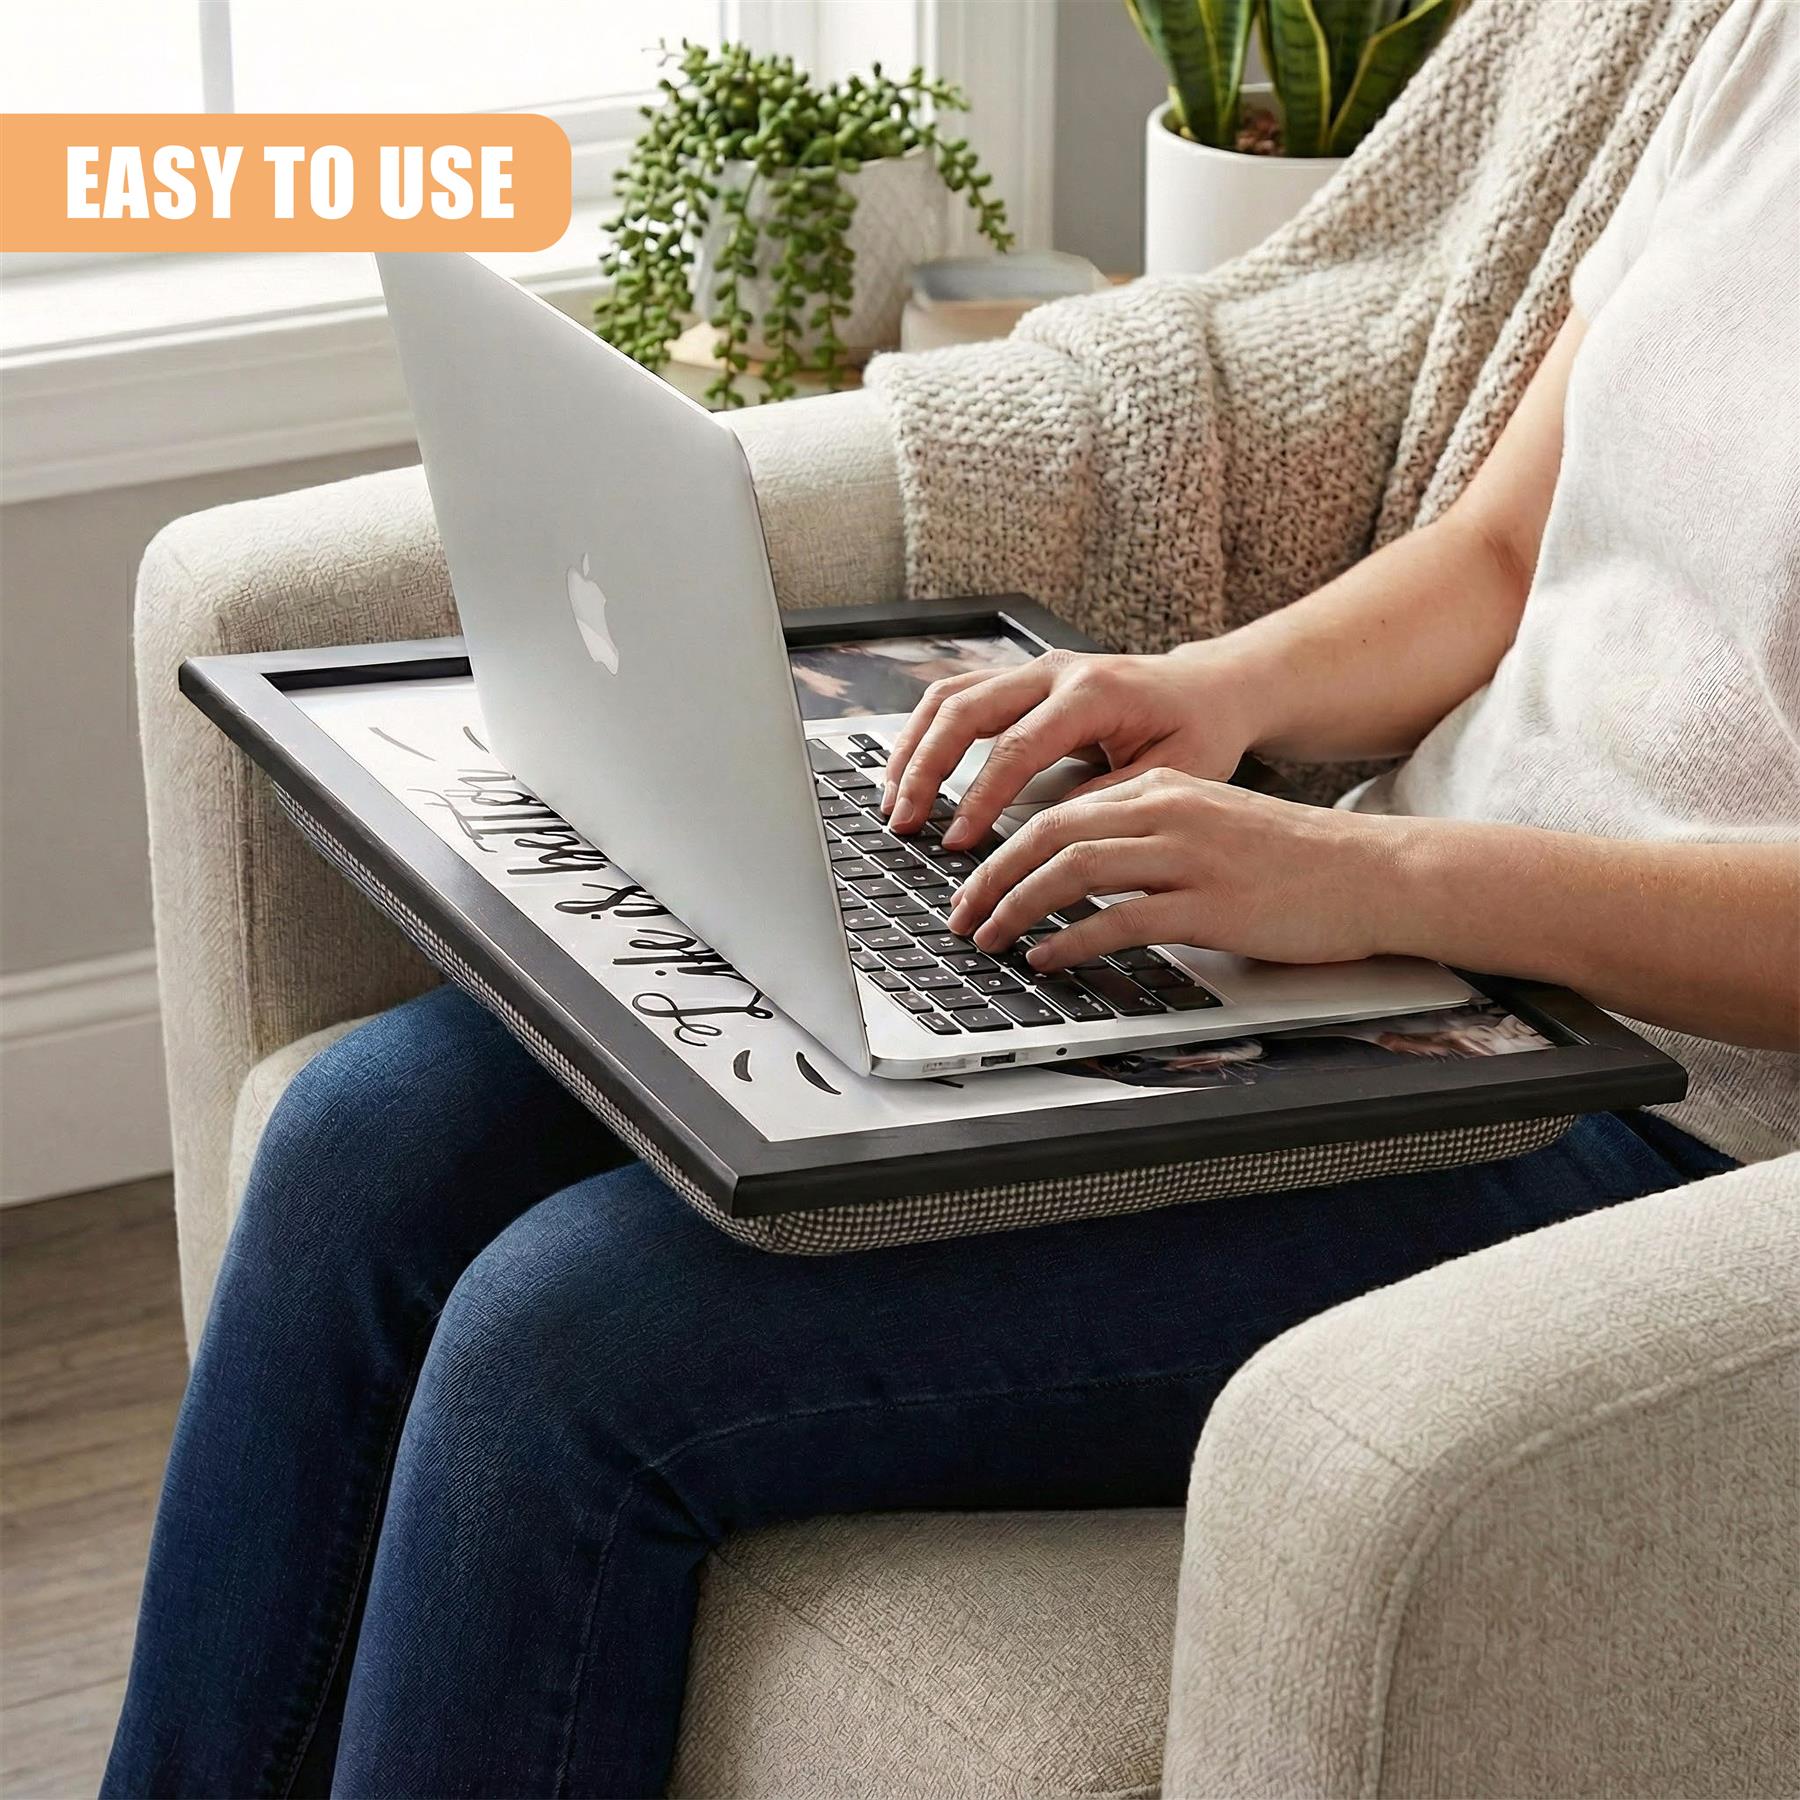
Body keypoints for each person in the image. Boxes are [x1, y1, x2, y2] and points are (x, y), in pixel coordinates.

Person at [105, 5, 1795, 1795]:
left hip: (1659, 1133)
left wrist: (1377, 871)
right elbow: (1503, 554)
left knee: (565, 1343)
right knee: (371, 1137)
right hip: (1392, 958)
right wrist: (1215, 693)